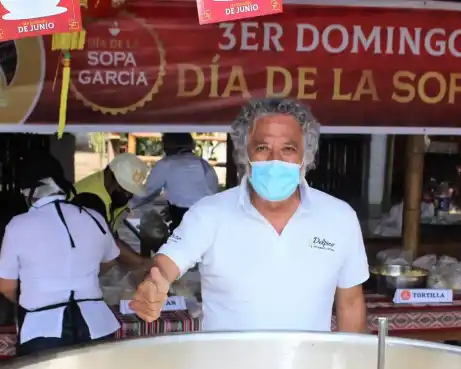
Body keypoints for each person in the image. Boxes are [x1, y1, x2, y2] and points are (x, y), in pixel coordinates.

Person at [128, 98, 369, 332]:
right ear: (245, 154)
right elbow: (168, 263)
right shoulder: (209, 213)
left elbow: (350, 303)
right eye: (263, 148)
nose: (275, 160)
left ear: (305, 156)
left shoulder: (339, 217)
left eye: (289, 149)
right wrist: (154, 283)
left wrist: (354, 365)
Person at [0, 153, 121, 356]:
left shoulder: (19, 225)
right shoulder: (93, 217)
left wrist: (36, 294)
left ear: (28, 191)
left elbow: (6, 286)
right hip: (98, 326)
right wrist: (82, 276)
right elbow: (110, 260)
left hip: (43, 332)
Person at [73, 152, 150, 268]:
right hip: (69, 255)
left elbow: (111, 234)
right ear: (109, 174)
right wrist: (140, 262)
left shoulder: (109, 192)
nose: (127, 195)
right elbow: (107, 241)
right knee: (110, 262)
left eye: (130, 191)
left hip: (82, 249)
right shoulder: (90, 198)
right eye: (123, 188)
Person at [131, 133, 220, 230]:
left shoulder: (166, 164)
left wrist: (126, 205)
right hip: (211, 219)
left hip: (184, 219)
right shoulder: (204, 165)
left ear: (168, 146)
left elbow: (148, 192)